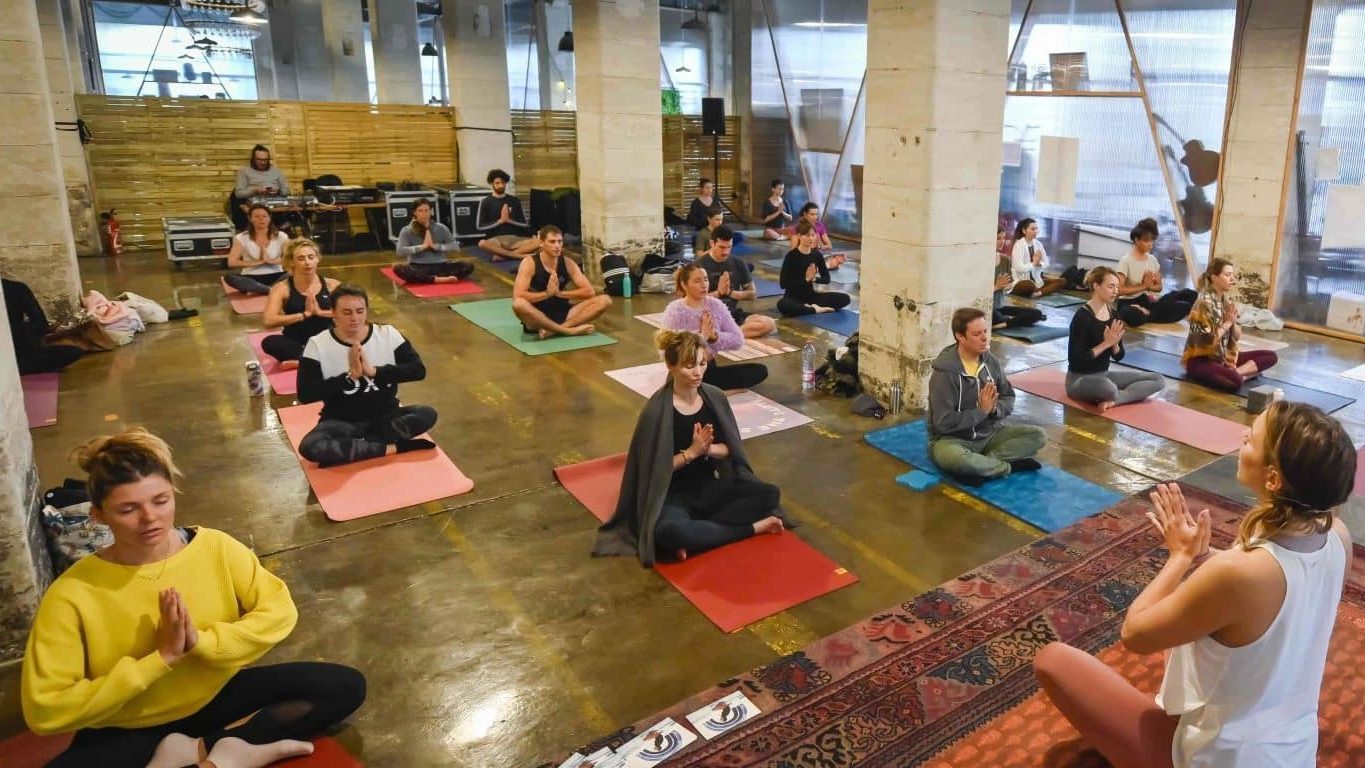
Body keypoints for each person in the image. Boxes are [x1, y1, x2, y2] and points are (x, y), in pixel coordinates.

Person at [1035, 400, 1356, 768]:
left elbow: (1135, 634)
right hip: (1292, 751)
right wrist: (1205, 556)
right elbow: (1279, 589)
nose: (1242, 436)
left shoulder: (1241, 573)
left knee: (1053, 660)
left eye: (1251, 440)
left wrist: (1180, 559)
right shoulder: (1338, 537)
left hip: (1222, 758)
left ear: (1272, 477)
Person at [21, 428, 366, 768]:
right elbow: (46, 708)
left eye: (161, 500)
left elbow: (278, 611)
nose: (150, 518)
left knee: (343, 687)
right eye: (128, 509)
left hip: (217, 696)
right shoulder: (72, 593)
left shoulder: (214, 546)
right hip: (131, 724)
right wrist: (161, 658)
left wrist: (201, 642)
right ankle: (224, 755)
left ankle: (205, 749)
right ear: (98, 515)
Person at [593, 329, 787, 566]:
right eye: (689, 366)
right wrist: (691, 453)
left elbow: (730, 450)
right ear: (671, 367)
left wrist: (708, 451)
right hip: (672, 496)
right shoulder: (656, 411)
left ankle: (700, 537)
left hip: (707, 489)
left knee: (770, 494)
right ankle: (753, 528)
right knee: (671, 533)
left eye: (702, 363)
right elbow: (653, 472)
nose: (698, 372)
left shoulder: (714, 397)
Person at [296, 285, 437, 467]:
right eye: (346, 312)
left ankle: (358, 448)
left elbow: (418, 370)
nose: (354, 318)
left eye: (360, 311)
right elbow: (305, 394)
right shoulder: (317, 344)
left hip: (386, 417)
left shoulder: (388, 334)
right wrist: (349, 377)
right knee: (310, 447)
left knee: (427, 414)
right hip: (342, 421)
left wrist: (375, 372)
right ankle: (392, 448)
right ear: (333, 313)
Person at [927, 307, 1046, 485]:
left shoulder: (991, 362)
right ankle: (1007, 467)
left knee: (1038, 436)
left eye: (985, 331)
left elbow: (1008, 396)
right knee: (957, 458)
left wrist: (994, 410)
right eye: (976, 334)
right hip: (951, 441)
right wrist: (981, 411)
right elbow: (942, 423)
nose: (984, 338)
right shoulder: (945, 373)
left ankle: (982, 466)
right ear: (961, 336)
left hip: (988, 435)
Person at [1066, 267, 1165, 410]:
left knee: (1158, 380)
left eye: (1117, 287)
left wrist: (1115, 345)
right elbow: (1076, 360)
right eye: (1111, 286)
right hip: (1079, 380)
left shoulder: (1114, 315)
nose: (1116, 291)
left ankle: (1116, 400)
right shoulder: (1082, 317)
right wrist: (1106, 344)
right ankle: (1118, 395)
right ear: (1096, 286)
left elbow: (1119, 356)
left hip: (1104, 375)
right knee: (1109, 388)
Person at [663, 263, 768, 391]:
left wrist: (715, 337)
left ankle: (705, 388)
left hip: (708, 367)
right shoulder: (675, 310)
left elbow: (738, 339)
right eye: (697, 281)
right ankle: (702, 389)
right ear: (684, 285)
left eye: (706, 279)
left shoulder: (716, 305)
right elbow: (667, 349)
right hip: (685, 369)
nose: (704, 285)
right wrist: (702, 337)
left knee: (760, 371)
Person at [1182, 258, 1277, 391]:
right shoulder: (1203, 304)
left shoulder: (1225, 301)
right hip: (1201, 360)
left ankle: (1236, 373)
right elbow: (1207, 342)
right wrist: (1227, 323)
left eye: (1233, 274)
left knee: (1270, 356)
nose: (1232, 278)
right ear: (1214, 277)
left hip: (1224, 357)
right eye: (1227, 275)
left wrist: (1233, 322)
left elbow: (1236, 337)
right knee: (1235, 381)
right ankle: (1241, 374)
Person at [511, 225, 612, 338]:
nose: (557, 246)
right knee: (518, 304)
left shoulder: (568, 263)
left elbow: (589, 292)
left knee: (605, 300)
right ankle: (568, 331)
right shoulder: (529, 263)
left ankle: (558, 329)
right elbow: (518, 295)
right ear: (541, 243)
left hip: (563, 312)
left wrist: (559, 293)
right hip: (537, 315)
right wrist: (547, 294)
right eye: (552, 242)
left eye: (560, 242)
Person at [261, 238, 339, 370]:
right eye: (301, 258)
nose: (307, 262)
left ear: (317, 259)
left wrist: (320, 312)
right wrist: (304, 314)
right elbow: (268, 320)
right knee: (269, 342)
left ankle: (304, 361)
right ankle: (317, 360)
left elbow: (348, 314)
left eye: (311, 257)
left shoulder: (333, 285)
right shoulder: (281, 288)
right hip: (296, 342)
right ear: (292, 262)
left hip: (326, 340)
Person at [696, 226, 778, 339]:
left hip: (732, 315)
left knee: (769, 324)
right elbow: (693, 300)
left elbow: (752, 294)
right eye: (721, 247)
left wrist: (730, 293)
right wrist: (718, 293)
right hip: (708, 316)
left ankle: (725, 336)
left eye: (729, 247)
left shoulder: (739, 262)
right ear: (712, 243)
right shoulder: (699, 266)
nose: (725, 252)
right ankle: (725, 334)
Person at [1115, 218, 1198, 327]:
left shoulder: (1152, 259)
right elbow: (1119, 290)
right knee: (1129, 314)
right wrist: (1143, 286)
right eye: (1147, 240)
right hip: (1129, 305)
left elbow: (1159, 287)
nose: (1150, 244)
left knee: (1188, 294)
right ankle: (1149, 315)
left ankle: (1148, 314)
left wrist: (1148, 287)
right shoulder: (1125, 261)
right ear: (1136, 240)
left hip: (1147, 303)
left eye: (1152, 240)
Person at [3, 277, 82, 375]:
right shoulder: (16, 288)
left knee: (72, 352)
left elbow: (41, 324)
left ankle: (14, 367)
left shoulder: (15, 288)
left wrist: (16, 330)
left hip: (16, 348)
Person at [392, 197, 474, 284]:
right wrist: (421, 247)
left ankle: (429, 279)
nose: (424, 213)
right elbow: (400, 251)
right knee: (398, 268)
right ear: (414, 212)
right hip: (418, 266)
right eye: (420, 211)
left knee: (468, 266)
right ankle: (436, 279)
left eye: (426, 210)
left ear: (431, 211)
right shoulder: (407, 230)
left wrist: (437, 247)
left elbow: (455, 246)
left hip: (441, 265)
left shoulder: (441, 228)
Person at [777, 220, 850, 317]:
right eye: (807, 235)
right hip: (793, 298)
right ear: (799, 235)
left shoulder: (816, 255)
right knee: (782, 305)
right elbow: (783, 284)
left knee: (845, 298)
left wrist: (814, 279)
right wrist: (806, 279)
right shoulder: (791, 256)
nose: (811, 238)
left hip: (811, 297)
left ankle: (807, 308)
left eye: (813, 235)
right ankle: (815, 310)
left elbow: (826, 279)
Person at [223, 204, 290, 295]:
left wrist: (272, 261)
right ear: (250, 218)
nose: (261, 219)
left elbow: (291, 258)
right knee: (229, 277)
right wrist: (258, 262)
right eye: (257, 216)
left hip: (277, 275)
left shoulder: (281, 236)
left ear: (269, 218)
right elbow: (231, 262)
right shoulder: (241, 237)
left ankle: (263, 289)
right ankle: (270, 290)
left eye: (264, 216)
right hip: (251, 277)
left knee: (294, 273)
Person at [475, 169, 539, 260]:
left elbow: (525, 224)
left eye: (503, 182)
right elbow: (479, 226)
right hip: (496, 240)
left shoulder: (514, 200)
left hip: (515, 239)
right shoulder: (485, 202)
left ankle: (504, 257)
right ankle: (517, 255)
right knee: (482, 243)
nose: (500, 185)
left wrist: (509, 220)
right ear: (492, 184)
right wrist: (500, 221)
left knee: (540, 242)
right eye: (497, 183)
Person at [991, 227, 1045, 330]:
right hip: (987, 309)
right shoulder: (982, 262)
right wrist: (996, 287)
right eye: (998, 238)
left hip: (1000, 307)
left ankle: (1002, 325)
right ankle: (1008, 321)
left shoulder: (1005, 260)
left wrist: (1006, 286)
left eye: (1004, 238)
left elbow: (1009, 285)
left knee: (1036, 313)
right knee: (995, 316)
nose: (1002, 241)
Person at [1010, 218, 1067, 298]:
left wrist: (1039, 264)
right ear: (1024, 231)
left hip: (1036, 280)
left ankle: (1038, 293)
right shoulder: (1019, 245)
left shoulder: (1038, 244)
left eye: (1036, 229)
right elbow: (1019, 268)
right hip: (1021, 281)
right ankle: (1037, 290)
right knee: (1029, 285)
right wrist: (1033, 264)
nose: (1035, 231)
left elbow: (1046, 263)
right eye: (1033, 229)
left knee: (1062, 281)